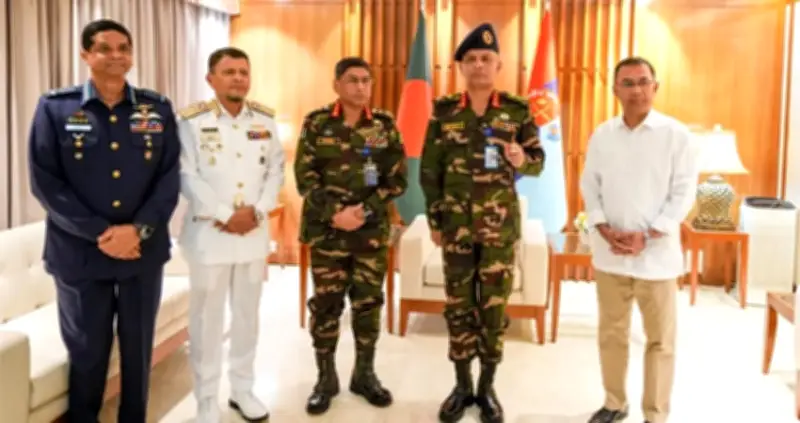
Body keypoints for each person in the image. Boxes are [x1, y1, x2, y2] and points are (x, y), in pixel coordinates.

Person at [27, 19, 180, 423]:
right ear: (86, 54)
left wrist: (137, 231)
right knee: (87, 352)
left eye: (124, 48)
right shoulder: (56, 108)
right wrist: (101, 232)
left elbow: (168, 179)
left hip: (142, 252)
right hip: (78, 253)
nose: (116, 56)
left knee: (137, 350)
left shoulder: (156, 108)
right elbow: (45, 182)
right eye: (105, 48)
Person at [419, 23, 546, 423]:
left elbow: (538, 161)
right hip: (455, 227)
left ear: (498, 65)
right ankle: (461, 386)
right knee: (458, 308)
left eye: (485, 58)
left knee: (493, 310)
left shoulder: (516, 110)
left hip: (498, 230)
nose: (478, 65)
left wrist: (522, 159)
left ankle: (487, 387)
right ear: (460, 66)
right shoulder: (444, 111)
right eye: (471, 59)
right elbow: (430, 171)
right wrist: (435, 220)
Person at [579, 56, 699, 423]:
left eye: (644, 82)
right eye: (628, 83)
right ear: (615, 90)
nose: (637, 90)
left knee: (660, 340)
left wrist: (648, 235)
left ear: (655, 87)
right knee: (611, 334)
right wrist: (603, 228)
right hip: (611, 253)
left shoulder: (677, 135)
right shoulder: (603, 135)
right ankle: (614, 403)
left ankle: (655, 413)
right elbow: (590, 186)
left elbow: (683, 193)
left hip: (657, 256)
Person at [294, 56, 407, 415]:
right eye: (352, 80)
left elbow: (397, 179)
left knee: (368, 305)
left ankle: (364, 375)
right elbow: (304, 177)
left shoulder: (384, 125)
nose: (360, 87)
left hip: (369, 234)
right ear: (337, 85)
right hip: (327, 233)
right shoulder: (317, 123)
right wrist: (335, 214)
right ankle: (325, 379)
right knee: (326, 305)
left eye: (365, 80)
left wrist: (363, 212)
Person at [177, 47, 283, 423]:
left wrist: (258, 211)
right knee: (206, 321)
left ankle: (242, 389)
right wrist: (225, 215)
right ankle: (206, 399)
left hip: (252, 235)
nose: (238, 78)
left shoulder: (265, 119)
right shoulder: (191, 121)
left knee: (246, 317)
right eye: (229, 72)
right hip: (210, 235)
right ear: (211, 79)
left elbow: (276, 170)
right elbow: (186, 175)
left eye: (243, 72)